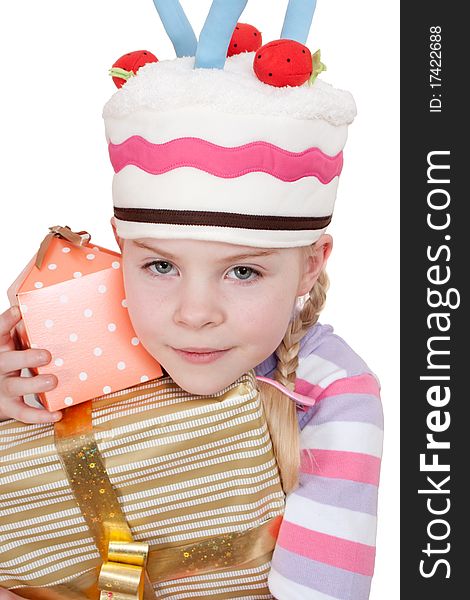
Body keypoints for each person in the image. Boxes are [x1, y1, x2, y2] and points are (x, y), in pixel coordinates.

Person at [0, 1, 383, 598]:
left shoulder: (334, 391)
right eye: (159, 265)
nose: (194, 313)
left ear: (311, 264)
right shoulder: (80, 327)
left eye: (244, 273)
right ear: (121, 249)